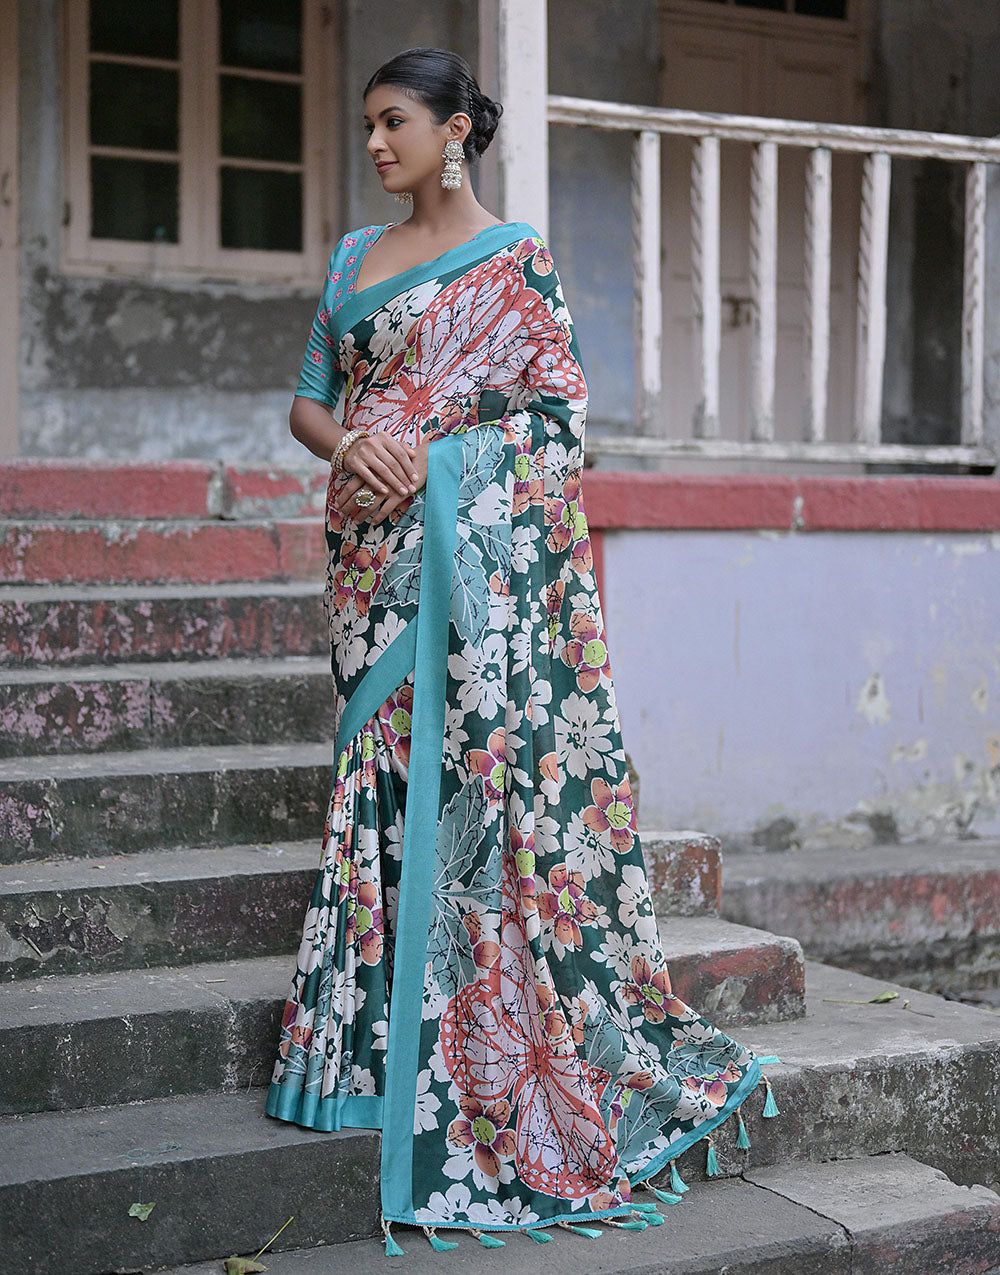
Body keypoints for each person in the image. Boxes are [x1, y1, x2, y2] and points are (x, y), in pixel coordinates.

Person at [264, 45, 780, 1253]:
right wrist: (352, 448)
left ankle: (474, 1061)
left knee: (462, 791)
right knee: (376, 780)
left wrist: (442, 465)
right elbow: (303, 398)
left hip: (467, 556)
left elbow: (559, 423)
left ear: (454, 131)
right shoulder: (350, 259)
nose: (376, 145)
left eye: (394, 123)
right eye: (370, 126)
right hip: (367, 561)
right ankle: (355, 1049)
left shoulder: (516, 262)